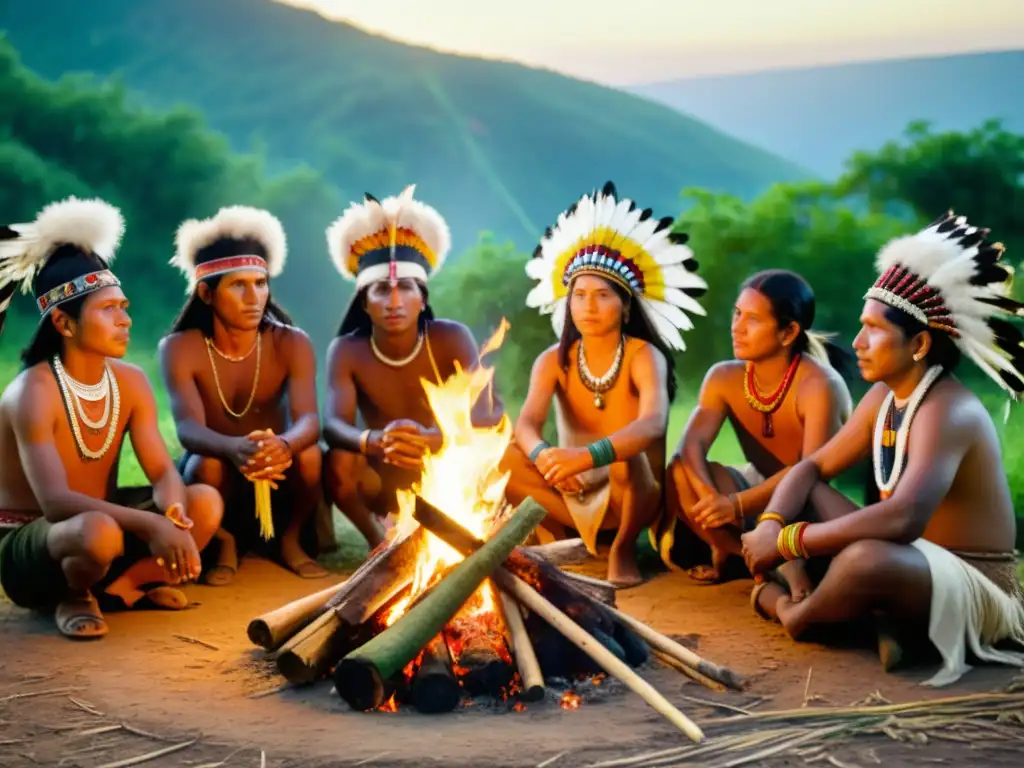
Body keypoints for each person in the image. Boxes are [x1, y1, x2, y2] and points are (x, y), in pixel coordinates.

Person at [741, 211, 1024, 686]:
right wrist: (771, 524)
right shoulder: (884, 397)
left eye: (873, 329)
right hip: (911, 559)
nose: (857, 343)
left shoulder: (948, 409)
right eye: (861, 326)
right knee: (801, 493)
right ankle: (879, 618)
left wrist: (788, 543)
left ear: (918, 342)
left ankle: (796, 612)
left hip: (975, 586)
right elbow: (811, 467)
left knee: (864, 560)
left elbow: (902, 518)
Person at [0, 197, 223, 639]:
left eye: (123, 306)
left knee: (204, 502)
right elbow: (56, 504)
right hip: (36, 544)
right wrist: (151, 523)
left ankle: (125, 587)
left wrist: (173, 510)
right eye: (109, 310)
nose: (126, 319)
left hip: (101, 525)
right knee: (97, 532)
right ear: (64, 323)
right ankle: (74, 595)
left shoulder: (131, 381)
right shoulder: (32, 391)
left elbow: (161, 470)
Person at [503, 181, 708, 587]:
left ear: (626, 304)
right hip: (571, 488)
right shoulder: (552, 361)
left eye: (602, 295)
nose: (588, 306)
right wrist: (546, 456)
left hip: (631, 491)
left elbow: (651, 425)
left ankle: (622, 547)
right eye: (579, 295)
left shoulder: (643, 356)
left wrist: (587, 456)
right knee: (507, 456)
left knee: (625, 456)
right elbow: (525, 425)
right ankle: (563, 538)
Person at [322, 185, 504, 548]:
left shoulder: (451, 338)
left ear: (423, 299)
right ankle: (379, 545)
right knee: (338, 462)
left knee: (499, 447)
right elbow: (333, 425)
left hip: (441, 470)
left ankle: (467, 535)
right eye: (380, 290)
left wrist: (433, 438)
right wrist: (376, 440)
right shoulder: (346, 350)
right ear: (364, 302)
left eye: (405, 288)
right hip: (381, 474)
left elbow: (490, 415)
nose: (393, 301)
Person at [159, 205, 327, 584]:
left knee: (311, 455)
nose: (254, 297)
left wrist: (283, 445)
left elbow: (309, 420)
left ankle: (290, 539)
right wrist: (234, 448)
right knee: (206, 463)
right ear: (206, 292)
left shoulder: (291, 343)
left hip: (276, 464)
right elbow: (187, 428)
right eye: (238, 285)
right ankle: (224, 543)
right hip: (218, 466)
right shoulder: (179, 347)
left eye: (261, 283)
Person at [669, 270, 854, 587]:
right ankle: (748, 557)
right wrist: (712, 501)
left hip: (805, 503)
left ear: (788, 332)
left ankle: (780, 560)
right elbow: (691, 446)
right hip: (753, 487)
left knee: (805, 494)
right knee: (679, 471)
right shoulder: (723, 377)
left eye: (753, 319)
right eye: (737, 313)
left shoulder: (820, 385)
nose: (737, 327)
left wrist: (736, 505)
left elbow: (809, 471)